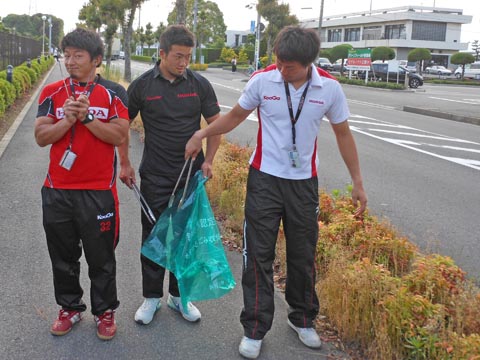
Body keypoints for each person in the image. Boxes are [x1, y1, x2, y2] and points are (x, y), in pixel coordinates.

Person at [185, 25, 367, 359]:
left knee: (302, 253)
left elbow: (343, 134)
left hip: (303, 185)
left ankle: (302, 318)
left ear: (309, 62)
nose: (282, 70)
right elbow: (235, 117)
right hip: (264, 180)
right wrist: (202, 134)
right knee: (257, 254)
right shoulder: (263, 81)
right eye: (279, 62)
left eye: (290, 66)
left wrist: (357, 181)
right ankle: (254, 328)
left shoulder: (329, 88)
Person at [118, 24, 221, 326]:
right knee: (154, 237)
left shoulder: (199, 85)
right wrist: (124, 163)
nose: (183, 63)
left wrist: (210, 160)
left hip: (190, 177)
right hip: (154, 176)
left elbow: (216, 125)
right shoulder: (142, 86)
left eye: (188, 57)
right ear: (161, 53)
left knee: (185, 239)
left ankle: (179, 297)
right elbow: (122, 126)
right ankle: (151, 298)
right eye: (178, 56)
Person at [34, 28, 129, 341]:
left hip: (98, 192)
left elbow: (118, 136)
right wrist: (68, 120)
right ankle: (70, 307)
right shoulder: (51, 92)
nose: (70, 61)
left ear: (96, 60)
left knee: (101, 258)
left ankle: (104, 312)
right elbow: (41, 137)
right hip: (58, 189)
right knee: (62, 256)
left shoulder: (114, 92)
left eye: (78, 55)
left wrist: (88, 119)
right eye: (67, 55)